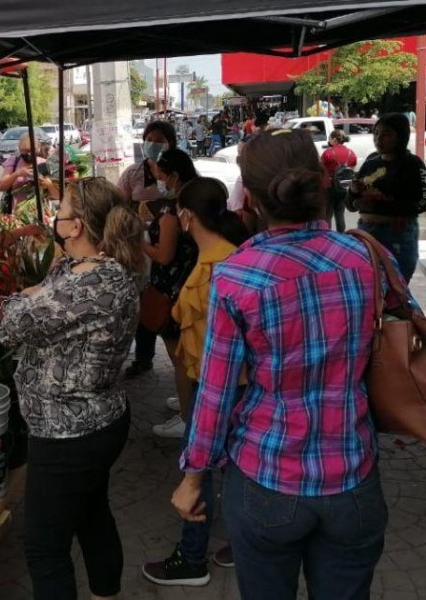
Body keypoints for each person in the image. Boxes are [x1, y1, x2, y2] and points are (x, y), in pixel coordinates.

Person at [174, 128, 409, 600]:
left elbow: (216, 394)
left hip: (266, 478)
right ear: (322, 182)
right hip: (353, 476)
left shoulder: (237, 273)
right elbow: (409, 327)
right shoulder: (366, 254)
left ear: (254, 199)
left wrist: (194, 475)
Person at [0, 177, 144, 600]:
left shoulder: (93, 284)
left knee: (45, 546)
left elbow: (12, 323)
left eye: (58, 213)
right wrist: (32, 295)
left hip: (69, 433)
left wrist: (25, 297)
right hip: (94, 422)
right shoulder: (85, 268)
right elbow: (40, 295)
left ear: (75, 226)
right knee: (92, 516)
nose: (54, 220)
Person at [142, 178, 249, 587]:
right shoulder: (226, 255)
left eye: (176, 212)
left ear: (187, 216)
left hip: (220, 385)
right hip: (228, 381)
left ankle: (191, 558)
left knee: (198, 468)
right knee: (236, 467)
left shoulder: (219, 267)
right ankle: (241, 543)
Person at [129, 149, 199, 440]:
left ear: (174, 175)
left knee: (178, 357)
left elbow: (163, 255)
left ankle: (187, 417)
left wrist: (140, 240)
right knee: (183, 356)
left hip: (172, 288)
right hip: (184, 283)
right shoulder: (188, 203)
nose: (156, 177)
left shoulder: (173, 213)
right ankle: (187, 405)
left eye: (160, 172)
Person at [349, 112, 426, 282]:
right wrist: (354, 191)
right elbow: (351, 204)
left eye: (386, 134)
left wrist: (378, 206)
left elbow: (421, 203)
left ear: (401, 136)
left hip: (398, 234)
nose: (379, 139)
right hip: (366, 231)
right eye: (376, 133)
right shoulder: (370, 162)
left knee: (396, 286)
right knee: (369, 285)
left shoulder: (412, 163)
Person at [117, 120, 177, 217]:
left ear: (170, 143)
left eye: (159, 141)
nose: (153, 144)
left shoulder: (182, 170)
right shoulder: (132, 172)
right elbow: (118, 205)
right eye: (149, 139)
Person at [0, 133, 52, 213]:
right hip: (17, 213)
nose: (29, 154)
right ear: (20, 149)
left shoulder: (44, 163)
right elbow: (1, 187)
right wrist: (17, 173)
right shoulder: (13, 162)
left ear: (38, 148)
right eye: (25, 151)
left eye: (31, 150)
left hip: (41, 212)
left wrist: (45, 183)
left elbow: (55, 193)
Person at [320, 129, 357, 233]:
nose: (329, 140)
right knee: (340, 213)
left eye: (330, 138)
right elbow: (352, 171)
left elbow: (320, 169)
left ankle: (328, 236)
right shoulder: (351, 153)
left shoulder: (328, 152)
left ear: (334, 139)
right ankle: (341, 235)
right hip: (343, 187)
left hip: (329, 187)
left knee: (328, 214)